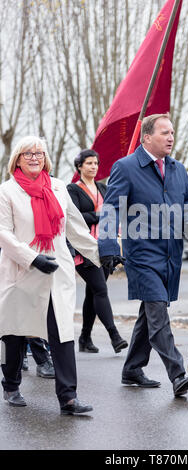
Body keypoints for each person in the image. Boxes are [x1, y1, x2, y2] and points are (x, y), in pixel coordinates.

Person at [98, 113, 188, 397]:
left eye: (172, 132)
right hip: (141, 254)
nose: (171, 137)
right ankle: (178, 374)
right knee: (157, 312)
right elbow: (111, 208)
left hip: (171, 253)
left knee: (150, 313)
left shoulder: (178, 169)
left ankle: (132, 368)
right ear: (146, 138)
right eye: (165, 133)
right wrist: (107, 246)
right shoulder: (126, 167)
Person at [0, 136, 101, 414]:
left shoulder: (57, 187)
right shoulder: (6, 191)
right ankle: (10, 384)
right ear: (17, 159)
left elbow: (76, 228)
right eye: (28, 153)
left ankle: (68, 397)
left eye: (39, 153)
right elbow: (4, 234)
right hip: (21, 273)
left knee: (62, 333)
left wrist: (101, 252)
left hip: (56, 273)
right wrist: (32, 258)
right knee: (14, 334)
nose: (34, 157)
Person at [67, 149, 128, 354]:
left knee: (92, 292)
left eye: (95, 163)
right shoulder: (72, 190)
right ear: (79, 167)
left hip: (105, 248)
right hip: (84, 248)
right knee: (100, 290)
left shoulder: (104, 188)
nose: (93, 167)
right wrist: (98, 214)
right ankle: (114, 335)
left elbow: (113, 215)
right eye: (89, 163)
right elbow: (74, 218)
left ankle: (84, 338)